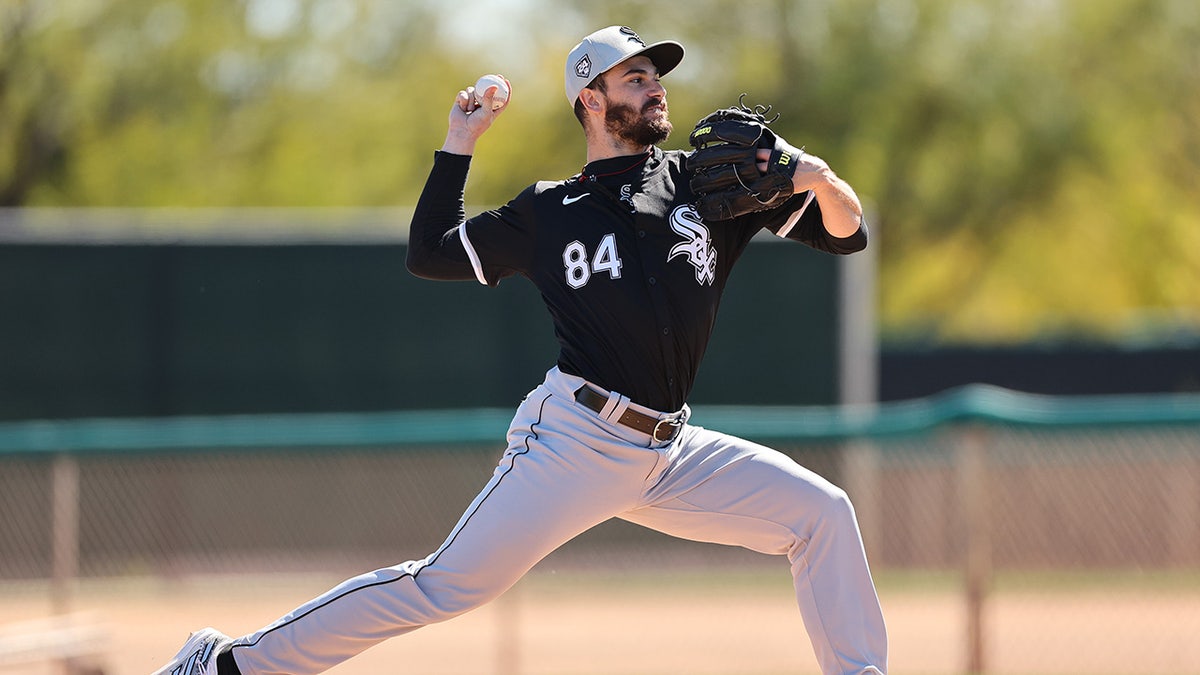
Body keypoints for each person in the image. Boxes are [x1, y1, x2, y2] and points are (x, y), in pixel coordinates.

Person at [153, 25, 887, 675]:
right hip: (576, 440)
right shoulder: (548, 210)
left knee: (821, 511)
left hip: (671, 448)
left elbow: (846, 232)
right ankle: (226, 663)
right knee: (441, 584)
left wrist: (814, 174)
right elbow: (429, 253)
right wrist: (459, 145)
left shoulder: (705, 186)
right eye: (635, 77)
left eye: (657, 75)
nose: (656, 88)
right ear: (591, 102)